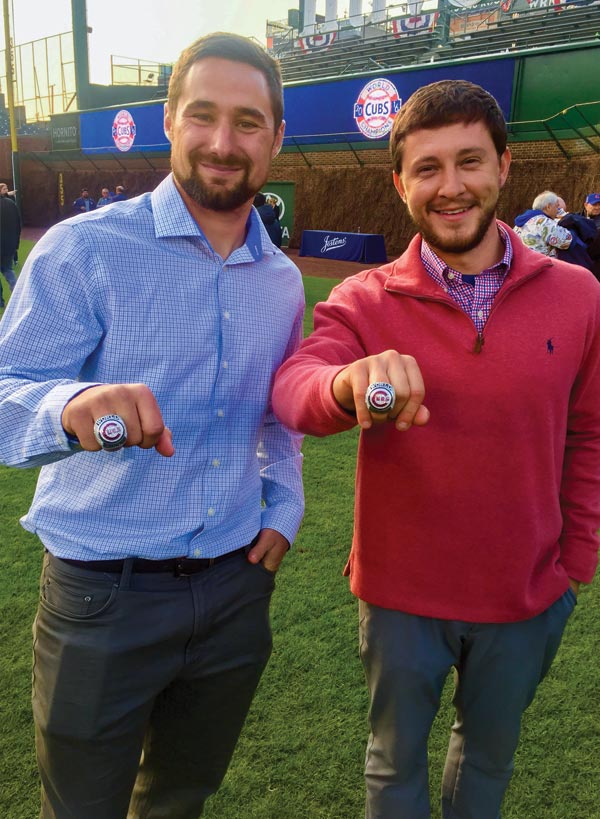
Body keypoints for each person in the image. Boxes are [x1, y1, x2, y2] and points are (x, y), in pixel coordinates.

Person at [272, 80, 600, 819]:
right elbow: (296, 387)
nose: (450, 187)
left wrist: (576, 558)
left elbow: (589, 433)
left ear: (504, 167)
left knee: (486, 759)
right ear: (400, 183)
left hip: (527, 594)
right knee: (393, 765)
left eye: (469, 162)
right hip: (400, 599)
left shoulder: (579, 295)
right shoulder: (364, 299)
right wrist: (347, 383)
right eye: (427, 168)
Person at [0, 32, 304, 818]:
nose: (222, 142)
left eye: (247, 122)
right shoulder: (85, 249)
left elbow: (279, 414)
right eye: (202, 115)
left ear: (275, 137)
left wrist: (286, 499)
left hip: (236, 589)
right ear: (170, 119)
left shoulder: (282, 279)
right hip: (105, 596)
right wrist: (69, 408)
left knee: (179, 798)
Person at [513, 190, 572, 256]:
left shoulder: (519, 224)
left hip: (524, 263)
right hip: (541, 264)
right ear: (548, 207)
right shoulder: (544, 223)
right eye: (556, 206)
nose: (558, 210)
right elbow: (567, 241)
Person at [0, 193, 20, 307]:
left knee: (8, 270)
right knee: (8, 270)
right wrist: (16, 244)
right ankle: (17, 296)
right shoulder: (11, 204)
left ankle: (0, 302)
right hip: (9, 245)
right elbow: (18, 224)